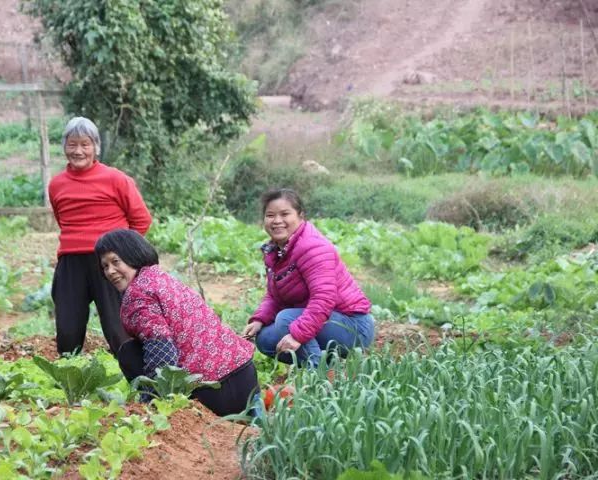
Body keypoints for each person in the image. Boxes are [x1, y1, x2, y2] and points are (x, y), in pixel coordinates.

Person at [95, 228, 259, 417]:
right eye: (105, 266)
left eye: (116, 262)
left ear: (132, 255)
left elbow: (161, 351)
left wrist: (153, 405)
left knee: (129, 353)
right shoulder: (158, 277)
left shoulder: (138, 294)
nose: (110, 271)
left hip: (217, 390)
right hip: (246, 381)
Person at [49, 117, 152, 356]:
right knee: (67, 328)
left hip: (109, 262)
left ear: (96, 147)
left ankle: (135, 379)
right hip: (71, 263)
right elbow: (64, 220)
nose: (78, 151)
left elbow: (141, 219)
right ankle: (70, 376)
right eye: (72, 144)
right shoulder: (56, 185)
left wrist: (123, 254)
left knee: (119, 328)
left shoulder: (116, 179)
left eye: (85, 144)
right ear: (64, 147)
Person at [242, 188, 374, 366]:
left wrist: (297, 335)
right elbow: (276, 295)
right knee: (266, 338)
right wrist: (259, 319)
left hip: (352, 325)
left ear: (300, 215)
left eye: (285, 214)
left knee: (286, 320)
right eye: (270, 215)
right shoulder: (277, 250)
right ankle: (329, 364)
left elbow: (324, 297)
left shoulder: (312, 247)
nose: (277, 221)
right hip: (325, 321)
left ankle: (321, 377)